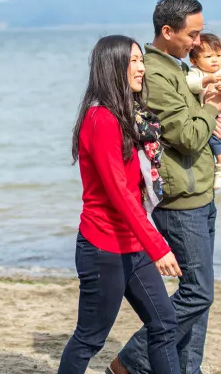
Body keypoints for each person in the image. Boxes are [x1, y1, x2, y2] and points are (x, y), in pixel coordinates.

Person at [109, 0, 221, 374]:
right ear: (167, 31)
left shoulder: (180, 69)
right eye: (192, 35)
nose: (198, 42)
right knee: (197, 293)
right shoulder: (155, 75)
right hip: (180, 202)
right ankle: (130, 361)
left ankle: (187, 369)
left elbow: (203, 129)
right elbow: (190, 137)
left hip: (201, 193)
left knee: (200, 296)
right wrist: (212, 108)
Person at [58, 35, 182, 374]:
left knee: (164, 323)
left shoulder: (130, 115)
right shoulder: (101, 119)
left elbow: (137, 186)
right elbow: (119, 194)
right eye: (133, 61)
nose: (141, 68)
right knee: (89, 339)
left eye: (142, 60)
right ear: (112, 67)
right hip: (104, 246)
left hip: (132, 243)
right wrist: (158, 247)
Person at [186, 33, 221, 190]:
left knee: (214, 137)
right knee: (210, 137)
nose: (215, 60)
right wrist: (206, 80)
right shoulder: (195, 72)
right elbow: (191, 85)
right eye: (208, 56)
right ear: (194, 61)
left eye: (218, 55)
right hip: (209, 113)